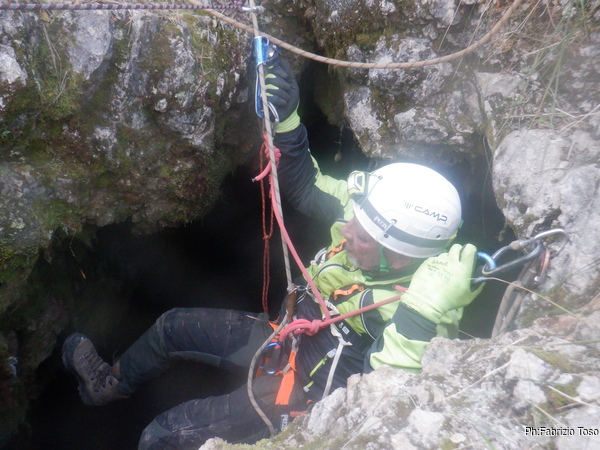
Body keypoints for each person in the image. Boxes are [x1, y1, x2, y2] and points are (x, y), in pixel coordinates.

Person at [62, 58, 483, 449]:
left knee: (163, 435)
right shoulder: (367, 218)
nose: (346, 229)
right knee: (172, 327)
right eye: (354, 220)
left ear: (400, 257)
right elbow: (306, 186)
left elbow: (389, 397)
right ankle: (106, 387)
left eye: (362, 237)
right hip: (285, 335)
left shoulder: (420, 310)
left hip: (295, 394)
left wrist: (422, 314)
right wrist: (288, 119)